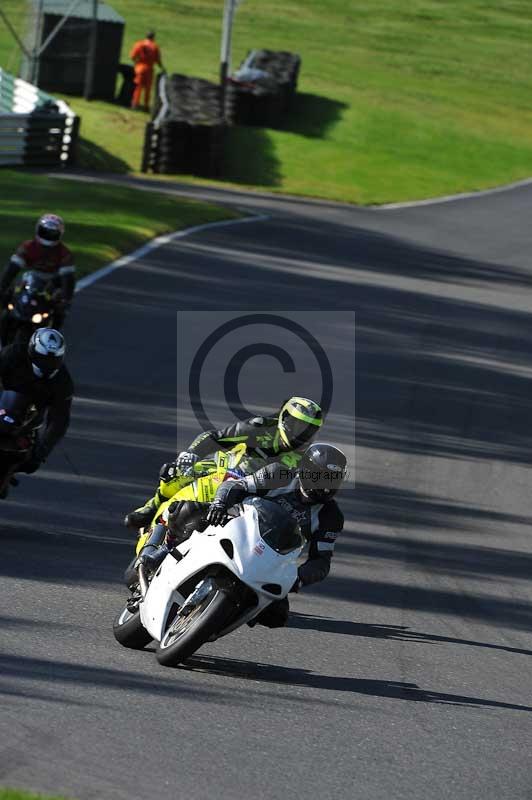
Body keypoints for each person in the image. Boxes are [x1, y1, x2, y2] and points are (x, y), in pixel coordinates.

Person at [139, 442, 346, 628]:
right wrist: (220, 504)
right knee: (187, 511)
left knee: (277, 616)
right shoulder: (279, 474)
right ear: (307, 470)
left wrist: (297, 579)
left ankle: (218, 618)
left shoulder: (331, 517)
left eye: (333, 479)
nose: (327, 485)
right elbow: (236, 485)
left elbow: (321, 560)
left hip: (270, 558)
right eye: (322, 476)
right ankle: (162, 550)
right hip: (236, 524)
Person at [125, 396, 324, 530]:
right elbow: (215, 437)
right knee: (175, 472)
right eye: (299, 426)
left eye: (309, 430)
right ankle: (153, 506)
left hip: (262, 493)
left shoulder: (308, 456)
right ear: (285, 419)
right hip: (230, 469)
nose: (303, 434)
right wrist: (191, 454)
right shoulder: (259, 427)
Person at [0, 328, 73, 481]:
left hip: (29, 421)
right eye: (43, 358)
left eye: (54, 360)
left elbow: (59, 420)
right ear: (32, 351)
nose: (48, 364)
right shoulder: (14, 354)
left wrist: (42, 453)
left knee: (30, 462)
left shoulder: (63, 382)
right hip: (3, 404)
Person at [0, 214, 75, 329]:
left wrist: (65, 300)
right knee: (9, 295)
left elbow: (68, 278)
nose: (48, 236)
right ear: (38, 230)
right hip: (31, 277)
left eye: (52, 233)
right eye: (45, 232)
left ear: (59, 234)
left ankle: (52, 335)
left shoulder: (64, 253)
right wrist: (2, 287)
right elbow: (13, 267)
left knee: (59, 309)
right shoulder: (28, 246)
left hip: (53, 282)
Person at [130, 31, 164, 110]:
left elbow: (132, 56)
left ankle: (135, 104)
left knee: (138, 87)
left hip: (140, 68)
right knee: (148, 89)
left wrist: (137, 62)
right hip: (149, 69)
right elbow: (157, 60)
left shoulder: (139, 44)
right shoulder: (155, 46)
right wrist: (162, 67)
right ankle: (145, 106)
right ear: (153, 37)